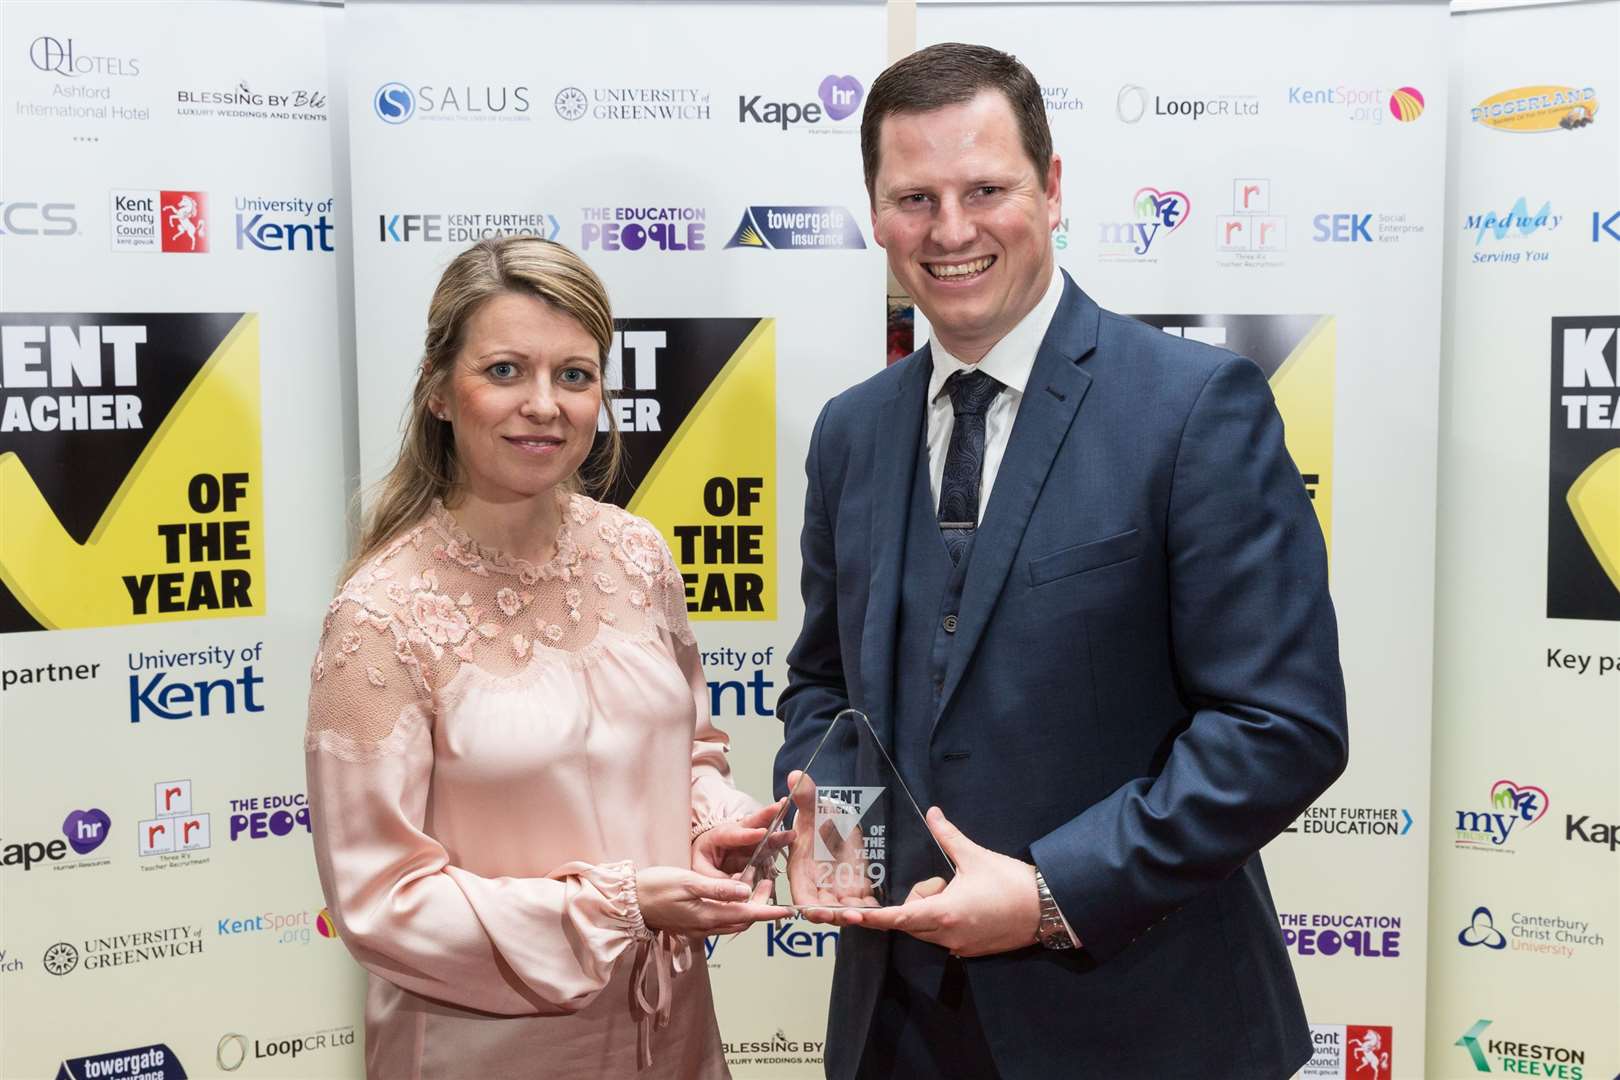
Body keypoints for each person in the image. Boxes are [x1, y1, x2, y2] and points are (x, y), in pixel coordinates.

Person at [775, 43, 1349, 1079]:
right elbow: (825, 686)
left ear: (1050, 187)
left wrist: (1051, 893)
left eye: (985, 188)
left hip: (1141, 1024)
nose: (950, 230)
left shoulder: (1192, 408)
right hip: (893, 1028)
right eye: (914, 197)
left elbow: (1283, 727)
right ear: (874, 211)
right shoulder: (849, 432)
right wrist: (830, 830)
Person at [305, 237, 786, 1079]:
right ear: (438, 394)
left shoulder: (638, 554)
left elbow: (687, 752)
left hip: (670, 1033)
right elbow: (382, 901)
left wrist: (716, 824)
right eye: (504, 371)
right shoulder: (378, 615)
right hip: (485, 1050)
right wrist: (619, 906)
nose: (544, 404)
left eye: (574, 375)